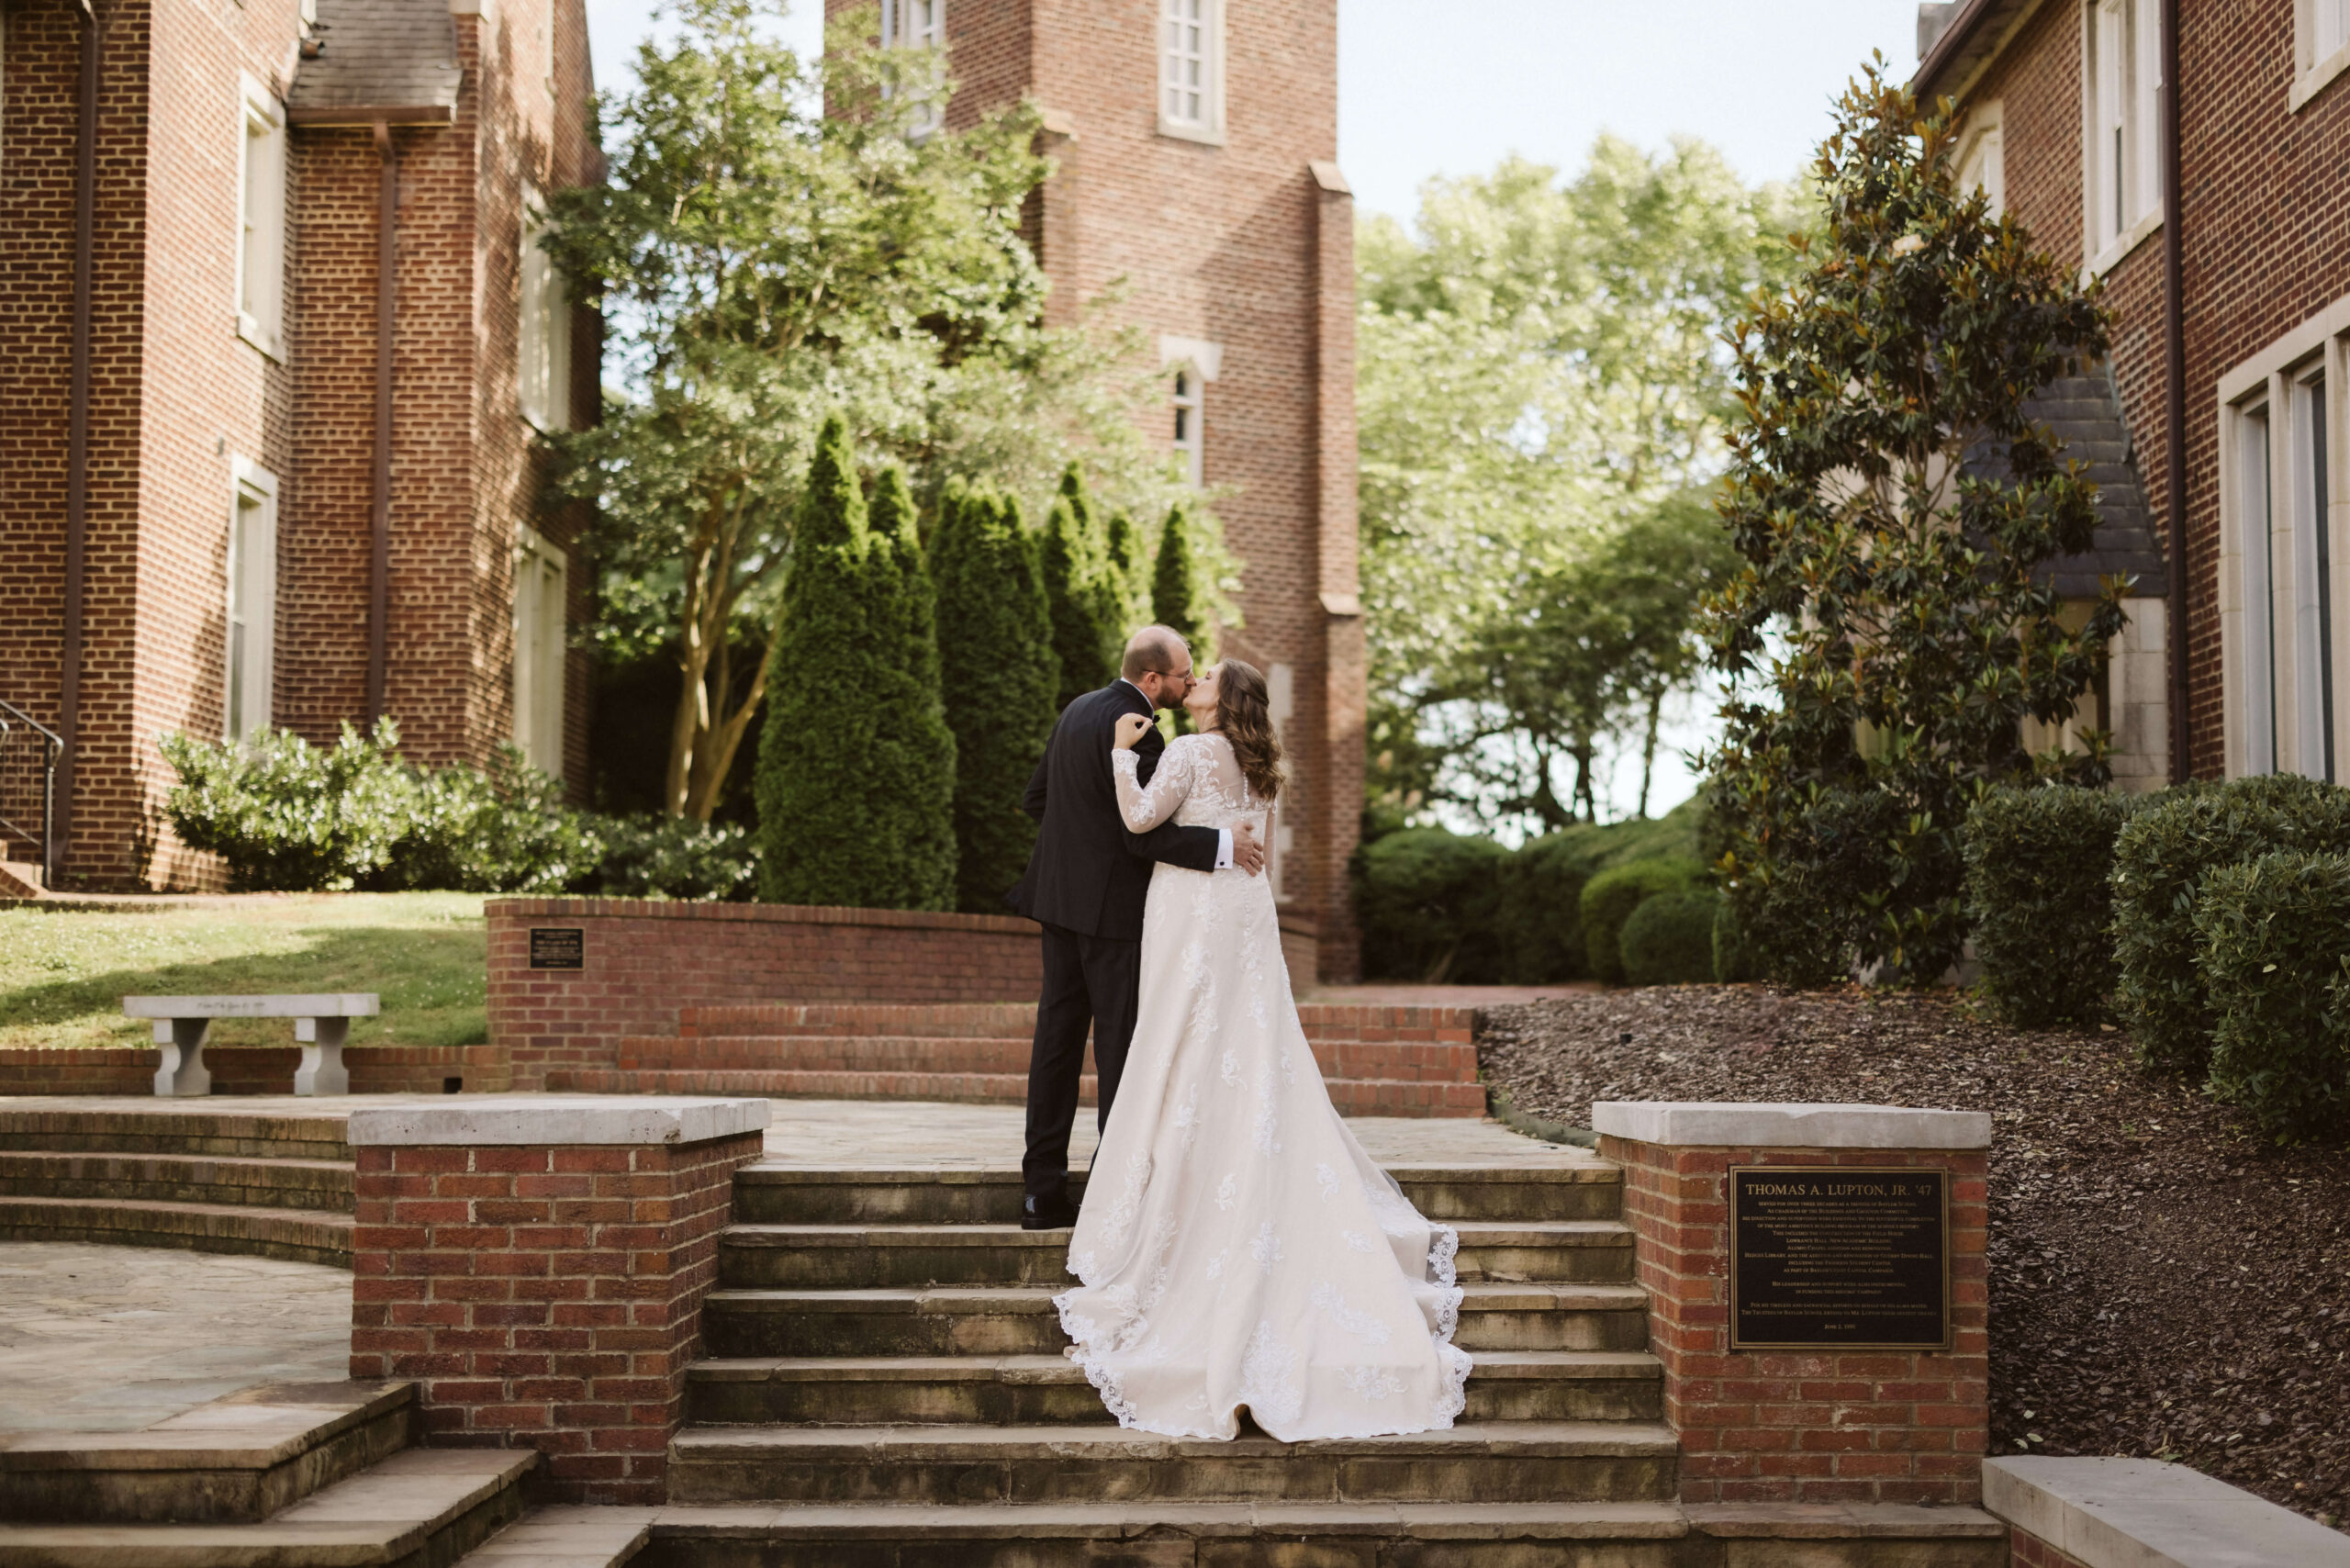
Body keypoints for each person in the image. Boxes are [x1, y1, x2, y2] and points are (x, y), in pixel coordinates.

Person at [1052, 656, 1472, 1441]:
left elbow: (1141, 821)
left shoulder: (1184, 749)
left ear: (1221, 698)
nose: (1194, 680)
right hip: (1245, 914)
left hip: (1193, 913)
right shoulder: (1259, 764)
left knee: (1182, 1039)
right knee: (1249, 1042)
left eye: (1205, 675)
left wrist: (1117, 752)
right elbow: (1251, 847)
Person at [1010, 627, 1265, 1231]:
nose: (1189, 681)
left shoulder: (1077, 709)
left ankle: (1040, 1194)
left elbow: (1036, 799)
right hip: (1113, 914)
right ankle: (1110, 1195)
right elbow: (1140, 831)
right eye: (1183, 673)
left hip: (1056, 901)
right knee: (1122, 1049)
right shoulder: (1143, 732)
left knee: (1056, 1045)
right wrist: (1225, 843)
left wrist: (1076, 857)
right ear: (1153, 680)